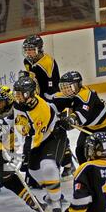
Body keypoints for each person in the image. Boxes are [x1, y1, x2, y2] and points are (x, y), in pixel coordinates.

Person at [12, 75, 68, 212]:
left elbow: (34, 138)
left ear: (30, 94)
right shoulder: (19, 104)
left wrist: (23, 155)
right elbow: (19, 122)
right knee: (33, 170)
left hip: (53, 137)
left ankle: (56, 201)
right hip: (37, 139)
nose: (17, 97)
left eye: (20, 94)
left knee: (47, 166)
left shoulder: (41, 109)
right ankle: (53, 192)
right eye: (16, 93)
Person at [22, 35, 76, 181]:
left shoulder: (48, 63)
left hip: (51, 103)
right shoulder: (27, 61)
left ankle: (68, 164)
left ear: (39, 49)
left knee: (56, 133)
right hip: (39, 104)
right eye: (26, 50)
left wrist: (49, 109)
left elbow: (51, 91)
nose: (28, 53)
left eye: (31, 50)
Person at [54, 71, 106, 165]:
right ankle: (86, 174)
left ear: (78, 85)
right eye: (64, 88)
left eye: (70, 87)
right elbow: (51, 105)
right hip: (91, 126)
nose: (66, 91)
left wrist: (71, 119)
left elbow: (82, 115)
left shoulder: (85, 95)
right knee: (81, 150)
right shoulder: (66, 96)